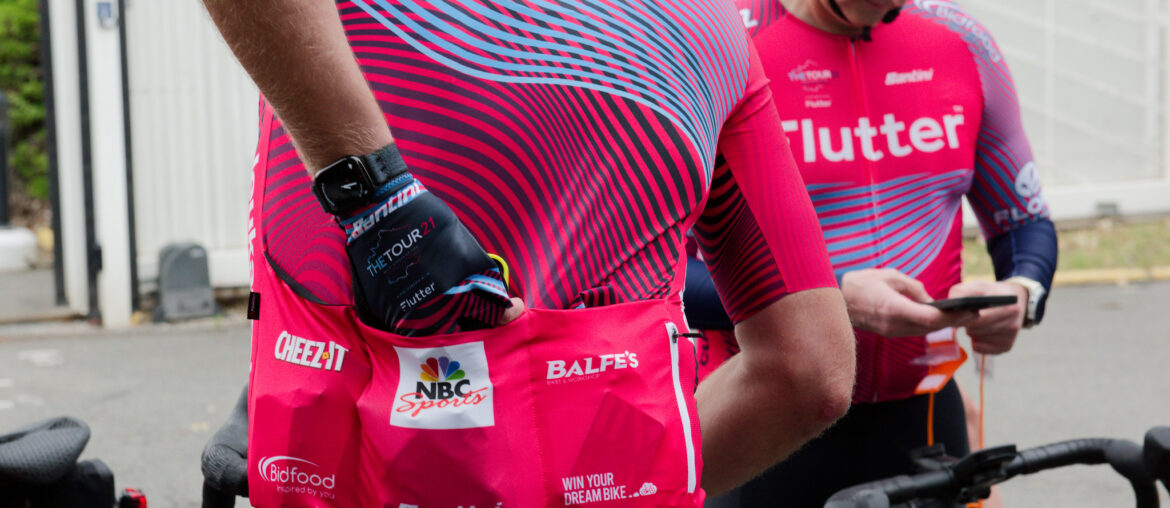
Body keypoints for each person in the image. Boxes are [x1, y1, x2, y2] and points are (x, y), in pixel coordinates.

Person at [199, 0, 855, 505]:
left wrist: (373, 195)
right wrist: (614, 479)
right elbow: (809, 371)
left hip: (337, 458)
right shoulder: (719, 31)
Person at [685, 0, 1059, 505]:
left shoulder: (960, 40)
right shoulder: (721, 39)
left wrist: (1021, 292)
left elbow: (1024, 223)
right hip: (762, 409)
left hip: (923, 414)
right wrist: (831, 299)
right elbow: (655, 272)